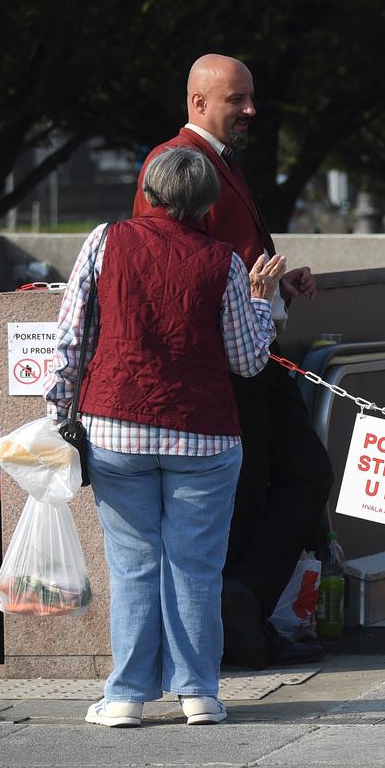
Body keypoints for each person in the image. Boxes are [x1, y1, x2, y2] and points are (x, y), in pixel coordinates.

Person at [50, 148, 285, 726]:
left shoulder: (105, 241)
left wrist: (58, 413)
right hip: (204, 436)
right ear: (207, 203)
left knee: (132, 564)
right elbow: (249, 361)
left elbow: (71, 337)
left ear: (148, 193)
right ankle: (199, 691)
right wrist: (261, 304)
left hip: (117, 427)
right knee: (197, 566)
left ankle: (127, 695)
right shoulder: (225, 261)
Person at [134, 54, 329, 669]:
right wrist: (252, 292)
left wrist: (275, 284)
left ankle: (239, 605)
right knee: (261, 491)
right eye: (236, 100)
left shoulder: (221, 161)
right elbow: (166, 266)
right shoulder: (174, 163)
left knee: (302, 477)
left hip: (256, 350)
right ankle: (232, 618)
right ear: (198, 103)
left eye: (250, 97)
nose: (250, 110)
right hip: (226, 366)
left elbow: (227, 261)